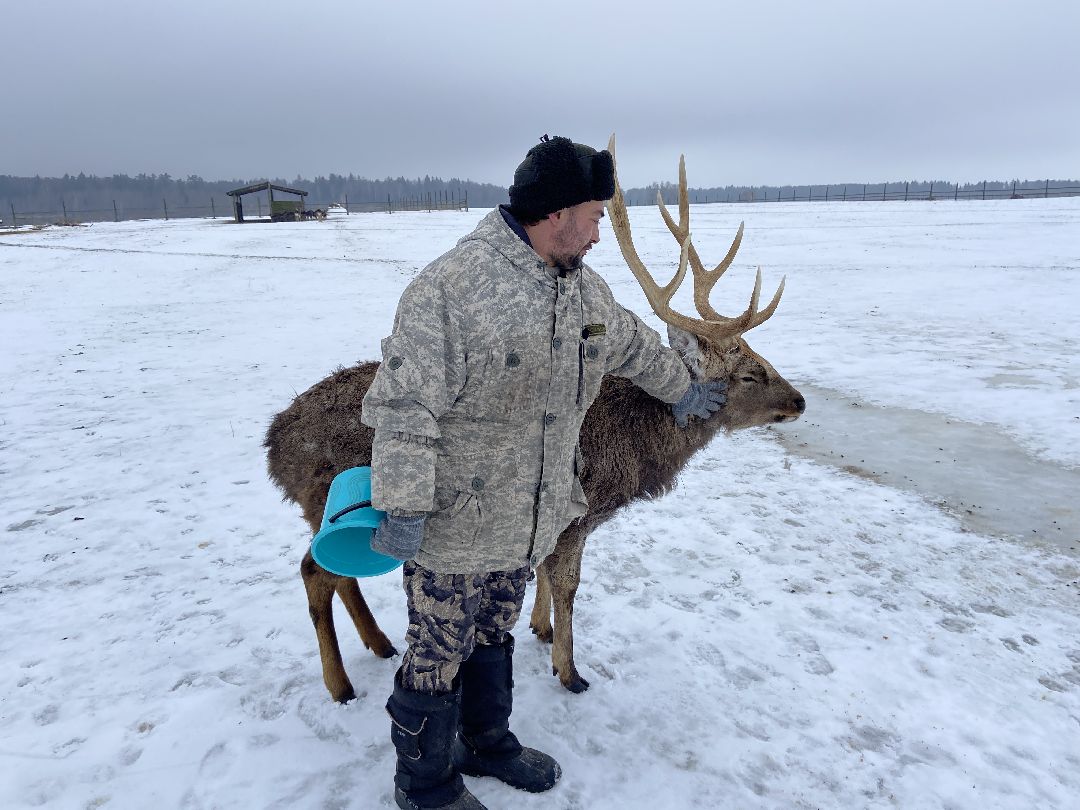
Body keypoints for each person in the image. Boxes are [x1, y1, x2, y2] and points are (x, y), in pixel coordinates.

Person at [360, 135, 728, 810]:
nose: (597, 235)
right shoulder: (452, 288)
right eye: (592, 218)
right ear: (556, 213)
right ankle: (424, 783)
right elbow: (404, 408)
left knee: (494, 631)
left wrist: (681, 389)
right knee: (437, 652)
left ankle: (486, 741)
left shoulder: (583, 290)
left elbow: (633, 344)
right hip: (454, 524)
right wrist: (404, 505)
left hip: (531, 517)